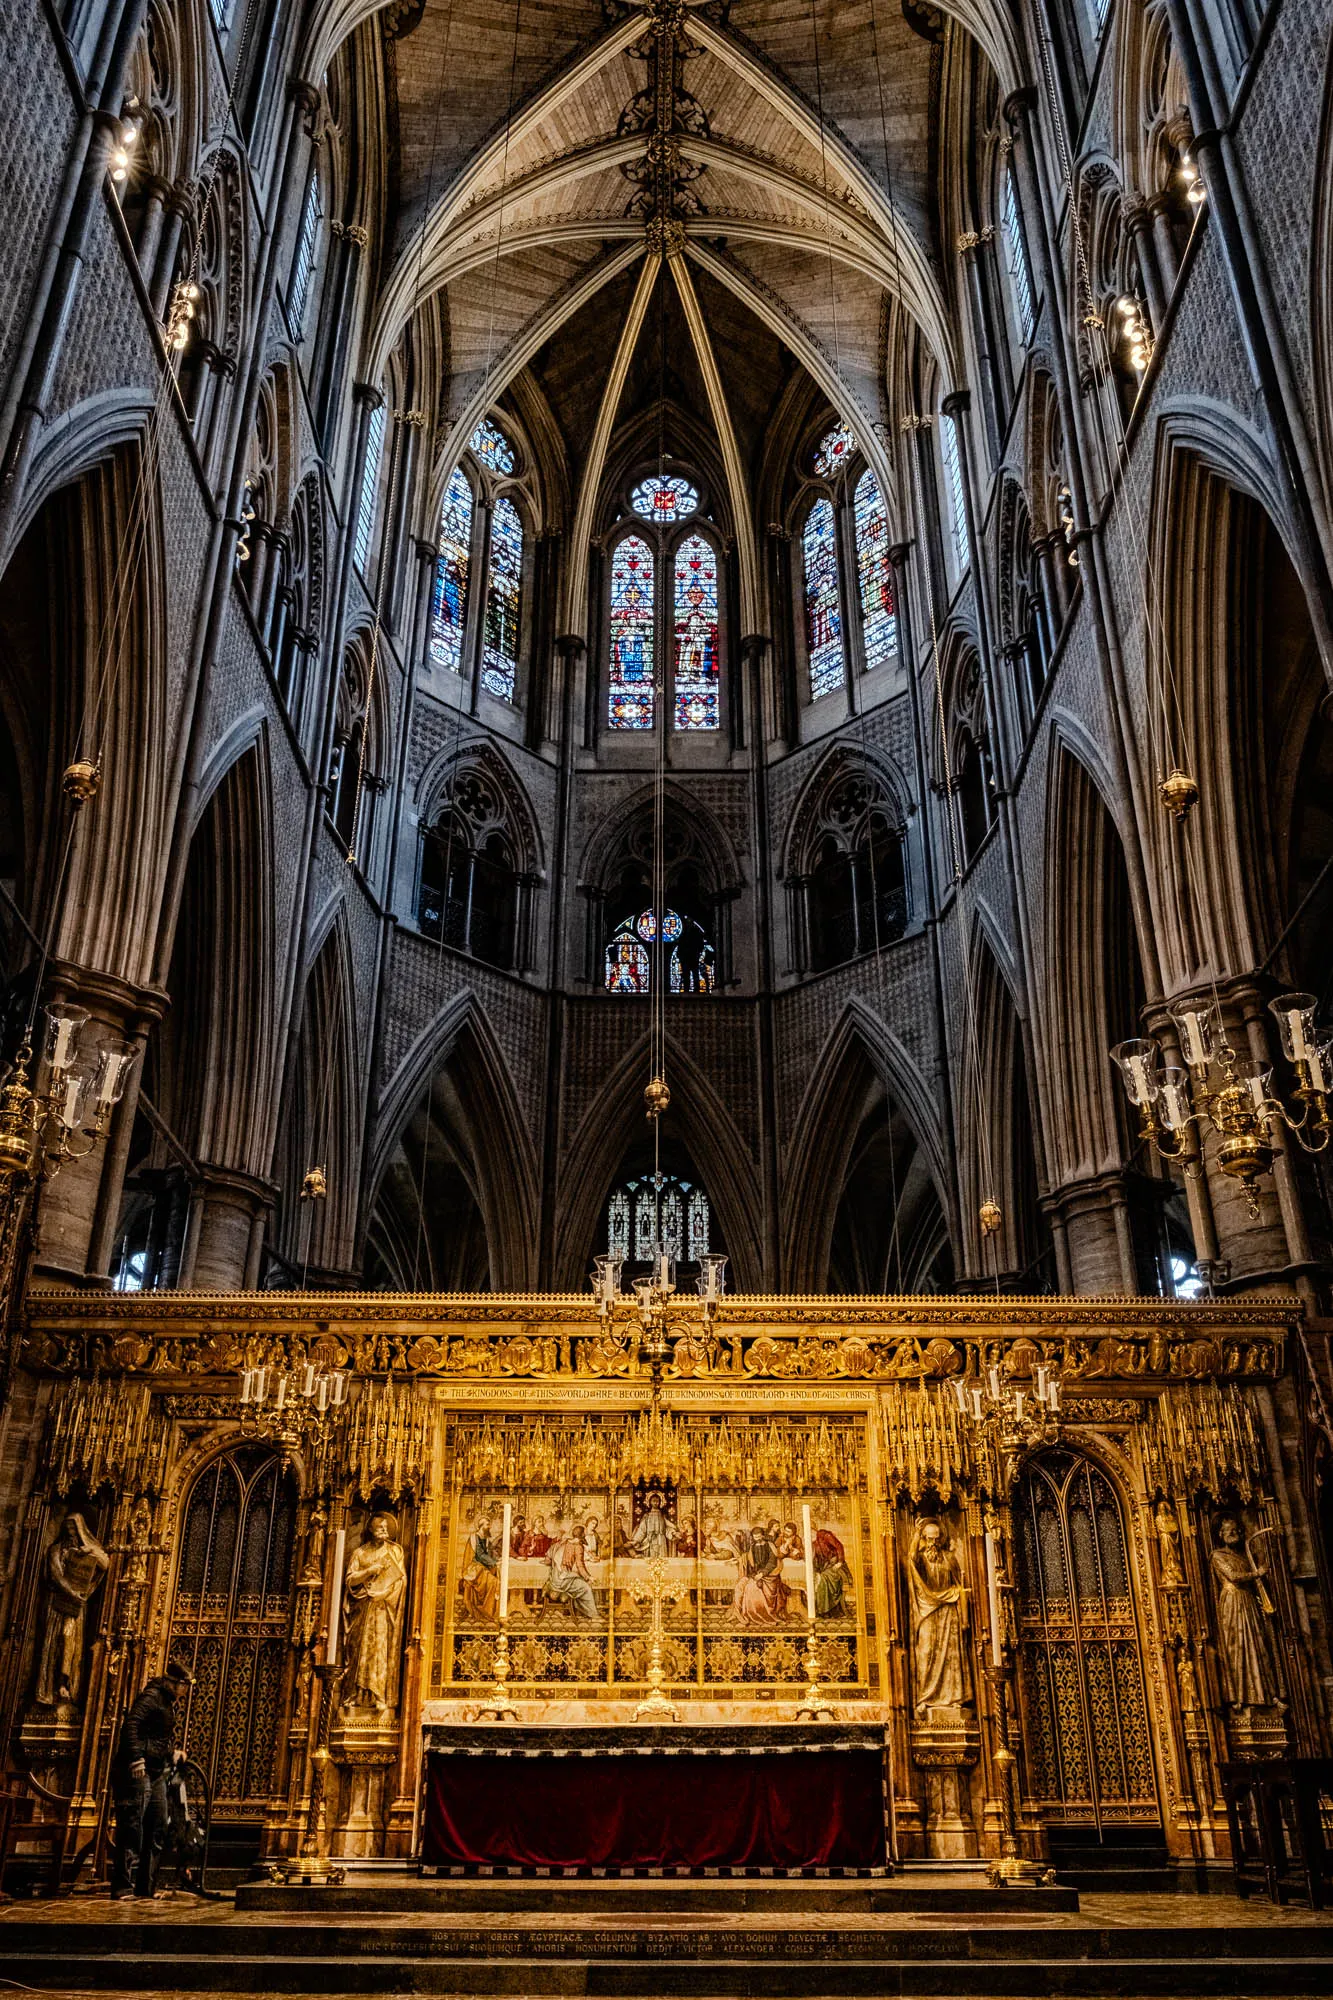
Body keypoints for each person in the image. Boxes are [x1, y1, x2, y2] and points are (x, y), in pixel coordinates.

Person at [110, 1659, 194, 1900]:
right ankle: (122, 1886)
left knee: (157, 1825)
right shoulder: (151, 1697)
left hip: (157, 1770)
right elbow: (132, 1726)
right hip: (140, 1770)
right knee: (132, 1826)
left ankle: (146, 1886)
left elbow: (156, 1737)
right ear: (172, 1682)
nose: (185, 1691)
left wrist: (171, 1753)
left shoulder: (166, 1702)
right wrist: (136, 1758)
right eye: (183, 1685)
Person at [35, 1513, 108, 1707]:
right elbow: (57, 1575)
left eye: (74, 1529)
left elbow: (105, 1563)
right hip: (57, 1603)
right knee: (54, 1642)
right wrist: (71, 1592)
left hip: (76, 1606)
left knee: (70, 1642)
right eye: (67, 1529)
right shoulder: (56, 1550)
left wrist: (90, 1551)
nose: (70, 1533)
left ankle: (66, 1684)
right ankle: (49, 1689)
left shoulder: (84, 1550)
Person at [341, 1512, 408, 1714]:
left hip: (383, 1608)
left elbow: (401, 1580)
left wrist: (385, 1593)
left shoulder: (394, 1551)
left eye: (387, 1528)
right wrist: (370, 1570)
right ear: (371, 1529)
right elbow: (350, 1580)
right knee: (358, 1651)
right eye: (380, 1528)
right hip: (362, 1608)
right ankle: (356, 1693)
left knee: (379, 1650)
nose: (384, 1531)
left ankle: (379, 1694)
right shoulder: (360, 1554)